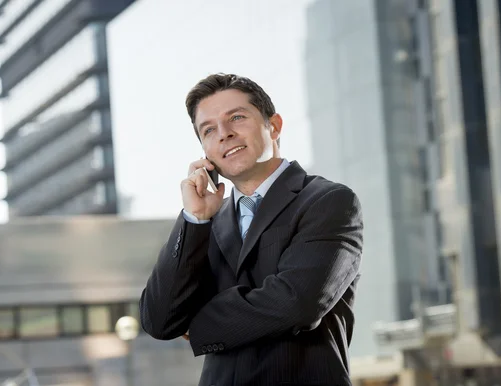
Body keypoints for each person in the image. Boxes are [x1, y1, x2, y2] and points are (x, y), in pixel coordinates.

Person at [139, 73, 363, 386]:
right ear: (205, 151)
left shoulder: (328, 201)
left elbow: (296, 303)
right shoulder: (206, 223)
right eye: (209, 129)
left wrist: (198, 325)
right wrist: (194, 218)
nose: (224, 134)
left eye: (237, 118)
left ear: (274, 125)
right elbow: (160, 321)